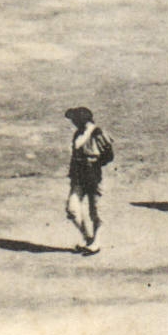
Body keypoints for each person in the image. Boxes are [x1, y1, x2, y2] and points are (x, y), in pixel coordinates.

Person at [63, 106, 113, 255]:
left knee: (96, 212)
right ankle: (89, 238)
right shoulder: (78, 133)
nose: (73, 123)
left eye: (74, 120)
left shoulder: (98, 133)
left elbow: (108, 156)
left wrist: (93, 163)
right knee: (72, 209)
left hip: (93, 176)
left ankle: (96, 243)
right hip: (78, 176)